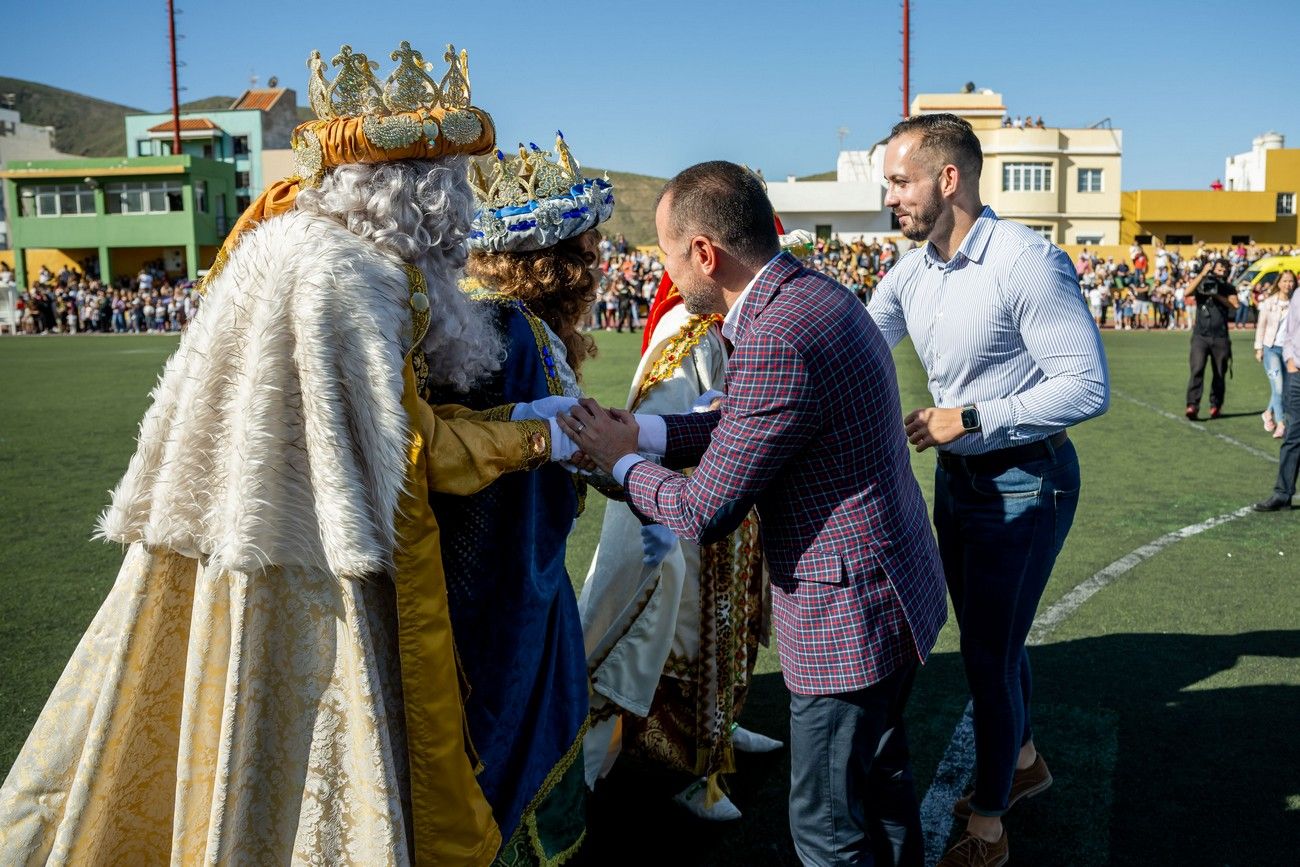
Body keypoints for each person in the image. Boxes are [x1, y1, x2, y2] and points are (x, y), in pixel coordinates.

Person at [0, 41, 577, 866]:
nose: (461, 209)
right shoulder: (357, 280)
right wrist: (540, 432)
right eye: (451, 182)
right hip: (312, 573)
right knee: (309, 760)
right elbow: (412, 460)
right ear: (416, 189)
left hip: (226, 542)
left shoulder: (291, 243)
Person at [559, 160, 948, 866]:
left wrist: (617, 463)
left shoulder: (772, 334)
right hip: (893, 591)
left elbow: (700, 509)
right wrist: (643, 432)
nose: (668, 277)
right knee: (883, 788)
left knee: (828, 829)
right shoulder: (809, 296)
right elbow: (745, 420)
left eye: (670, 257)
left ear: (705, 253)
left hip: (847, 619)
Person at [866, 113, 1109, 866]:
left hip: (1027, 482)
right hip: (961, 479)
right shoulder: (912, 271)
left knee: (987, 656)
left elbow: (1087, 385)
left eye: (900, 182)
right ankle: (1025, 760)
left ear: (949, 179)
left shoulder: (1027, 261)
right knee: (988, 641)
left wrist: (967, 417)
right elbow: (856, 345)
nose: (890, 200)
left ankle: (989, 830)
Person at [423, 133, 616, 863]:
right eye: (585, 246)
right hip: (513, 586)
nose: (598, 260)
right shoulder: (522, 333)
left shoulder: (486, 319)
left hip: (481, 579)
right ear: (554, 261)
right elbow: (536, 474)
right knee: (516, 738)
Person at [579, 215, 810, 823]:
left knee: (733, 639)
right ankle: (692, 772)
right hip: (689, 518)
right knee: (688, 642)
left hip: (735, 513)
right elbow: (658, 424)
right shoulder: (686, 330)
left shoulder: (748, 323)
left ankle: (722, 733)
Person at [1253, 274, 1300, 511]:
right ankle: (1283, 494)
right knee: (1293, 435)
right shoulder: (1297, 297)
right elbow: (1290, 333)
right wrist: (1291, 360)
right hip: (1295, 369)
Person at [1184, 258, 1239, 420]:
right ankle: (1192, 405)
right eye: (1218, 269)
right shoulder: (1202, 283)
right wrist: (1202, 275)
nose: (1221, 272)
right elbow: (1187, 292)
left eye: (1224, 270)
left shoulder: (1228, 287)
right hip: (1201, 336)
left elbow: (1235, 305)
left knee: (1219, 372)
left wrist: (1217, 295)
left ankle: (1216, 405)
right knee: (1197, 368)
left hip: (1220, 337)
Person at [1255, 270, 1294, 437]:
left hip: (1289, 352)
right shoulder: (1270, 302)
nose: (1288, 284)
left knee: (1284, 388)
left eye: (1291, 281)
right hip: (1271, 350)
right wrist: (1259, 348)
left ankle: (1268, 412)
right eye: (1284, 281)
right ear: (1278, 283)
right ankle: (1281, 424)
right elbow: (1261, 326)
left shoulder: (1296, 303)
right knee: (1278, 388)